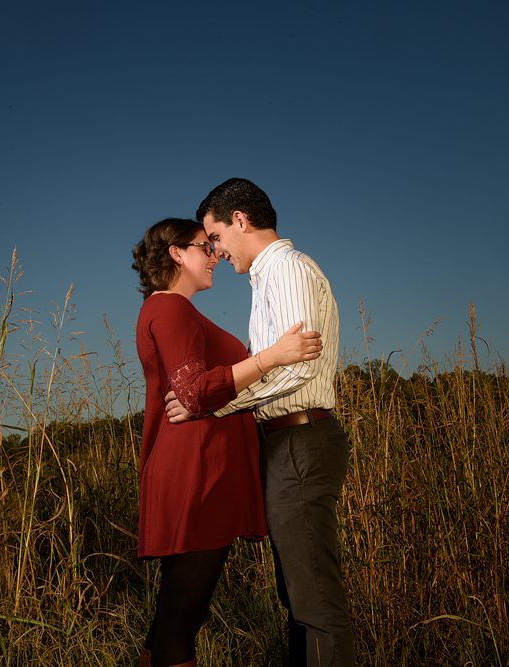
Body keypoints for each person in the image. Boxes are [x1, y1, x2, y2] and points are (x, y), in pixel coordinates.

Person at [165, 178, 355, 667]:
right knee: (298, 594)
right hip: (284, 442)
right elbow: (277, 363)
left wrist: (212, 404)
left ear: (241, 221)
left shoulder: (286, 269)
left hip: (300, 437)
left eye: (217, 238)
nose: (216, 251)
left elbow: (296, 369)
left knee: (313, 598)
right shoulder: (268, 279)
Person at [132, 217, 323, 667]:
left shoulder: (177, 310)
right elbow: (194, 390)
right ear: (176, 253)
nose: (215, 254)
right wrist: (272, 356)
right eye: (204, 246)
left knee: (169, 619)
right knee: (182, 620)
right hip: (196, 472)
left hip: (203, 467)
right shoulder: (171, 308)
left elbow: (195, 391)